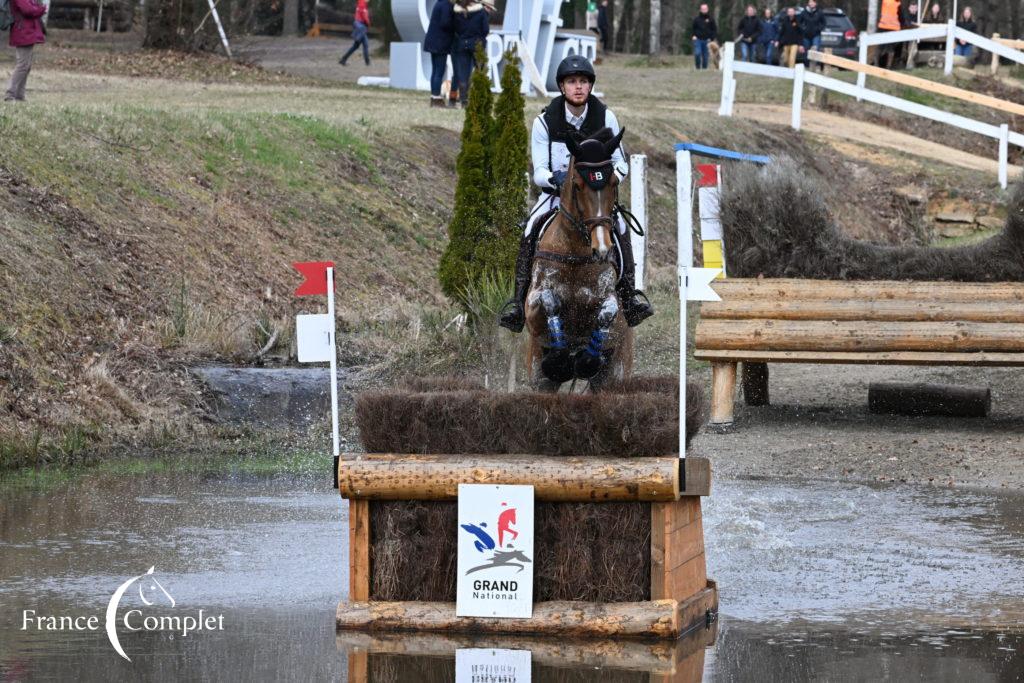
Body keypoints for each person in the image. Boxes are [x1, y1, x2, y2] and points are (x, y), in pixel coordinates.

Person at [498, 55, 653, 332]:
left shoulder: (605, 116)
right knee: (530, 227)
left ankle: (630, 297)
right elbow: (539, 171)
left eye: (583, 81)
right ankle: (518, 302)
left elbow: (620, 163)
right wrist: (558, 179)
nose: (578, 87)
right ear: (562, 86)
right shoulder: (545, 121)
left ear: (590, 86)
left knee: (619, 226)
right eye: (572, 82)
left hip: (596, 196)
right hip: (557, 196)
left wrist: (609, 181)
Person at [5, 0, 46, 102]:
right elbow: (28, 10)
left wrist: (38, 7)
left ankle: (19, 95)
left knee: (26, 66)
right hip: (23, 32)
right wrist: (42, 9)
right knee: (22, 65)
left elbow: (32, 7)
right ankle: (10, 94)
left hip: (27, 32)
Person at [452, 0, 489, 107]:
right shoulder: (481, 11)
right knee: (480, 71)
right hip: (478, 44)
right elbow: (485, 29)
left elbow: (456, 29)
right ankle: (479, 98)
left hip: (462, 43)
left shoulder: (457, 12)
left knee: (463, 73)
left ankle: (464, 100)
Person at [424, 0, 455, 107]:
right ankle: (436, 98)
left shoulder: (439, 3)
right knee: (439, 71)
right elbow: (445, 23)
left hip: (433, 41)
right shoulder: (446, 5)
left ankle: (434, 96)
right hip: (440, 42)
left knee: (435, 71)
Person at [339, 0, 371, 67]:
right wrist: (368, 23)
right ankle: (367, 62)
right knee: (363, 45)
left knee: (358, 45)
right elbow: (364, 16)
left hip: (359, 26)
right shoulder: (362, 4)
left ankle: (343, 59)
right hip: (361, 27)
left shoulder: (360, 4)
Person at [799, 0, 825, 64]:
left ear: (815, 3)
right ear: (808, 3)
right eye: (810, 2)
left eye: (813, 2)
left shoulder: (819, 12)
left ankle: (815, 66)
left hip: (816, 35)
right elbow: (799, 22)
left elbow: (824, 23)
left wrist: (819, 28)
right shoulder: (803, 12)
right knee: (806, 52)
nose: (811, 3)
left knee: (815, 50)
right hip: (806, 36)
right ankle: (807, 66)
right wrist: (803, 28)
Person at [691, 4, 717, 70]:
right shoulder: (696, 19)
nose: (704, 10)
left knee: (705, 56)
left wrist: (712, 38)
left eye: (705, 9)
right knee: (697, 53)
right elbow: (693, 28)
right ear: (700, 10)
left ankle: (704, 69)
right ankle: (697, 68)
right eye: (703, 9)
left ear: (707, 9)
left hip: (707, 41)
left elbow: (714, 29)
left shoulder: (711, 19)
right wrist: (693, 36)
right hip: (698, 40)